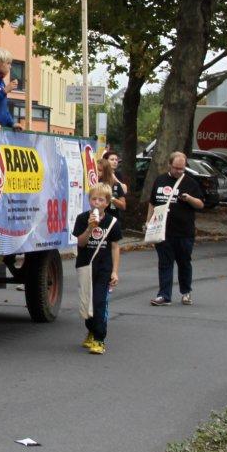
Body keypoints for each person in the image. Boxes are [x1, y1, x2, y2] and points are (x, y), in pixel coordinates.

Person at [148, 151, 205, 306]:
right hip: (162, 230)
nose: (179, 171)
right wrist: (148, 222)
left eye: (182, 168)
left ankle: (186, 292)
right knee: (165, 263)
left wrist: (190, 199)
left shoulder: (190, 183)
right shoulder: (160, 180)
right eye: (176, 168)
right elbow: (152, 202)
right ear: (169, 165)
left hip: (184, 232)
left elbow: (200, 204)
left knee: (184, 262)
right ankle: (164, 295)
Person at [74, 183, 122, 355]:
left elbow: (115, 247)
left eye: (101, 200)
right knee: (87, 303)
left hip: (104, 268)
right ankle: (91, 330)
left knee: (99, 301)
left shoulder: (112, 222)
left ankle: (100, 338)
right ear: (89, 201)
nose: (97, 203)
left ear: (107, 203)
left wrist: (115, 271)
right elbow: (80, 242)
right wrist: (89, 228)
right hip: (86, 266)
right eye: (94, 199)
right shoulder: (82, 219)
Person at [98, 149, 128, 224]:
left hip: (113, 218)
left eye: (116, 160)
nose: (115, 162)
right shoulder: (95, 183)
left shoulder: (116, 180)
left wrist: (111, 197)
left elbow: (124, 191)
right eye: (112, 159)